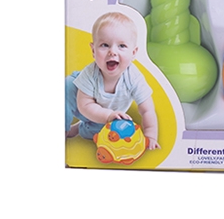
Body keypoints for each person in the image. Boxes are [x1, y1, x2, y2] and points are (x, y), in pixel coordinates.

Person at [65, 12, 160, 149]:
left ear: (133, 53)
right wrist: (108, 114)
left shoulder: (133, 78)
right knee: (66, 87)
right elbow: (84, 105)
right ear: (93, 50)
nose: (113, 52)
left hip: (108, 116)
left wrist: (150, 135)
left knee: (102, 135)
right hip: (83, 102)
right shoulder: (90, 74)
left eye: (122, 46)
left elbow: (147, 110)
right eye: (105, 45)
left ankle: (79, 128)